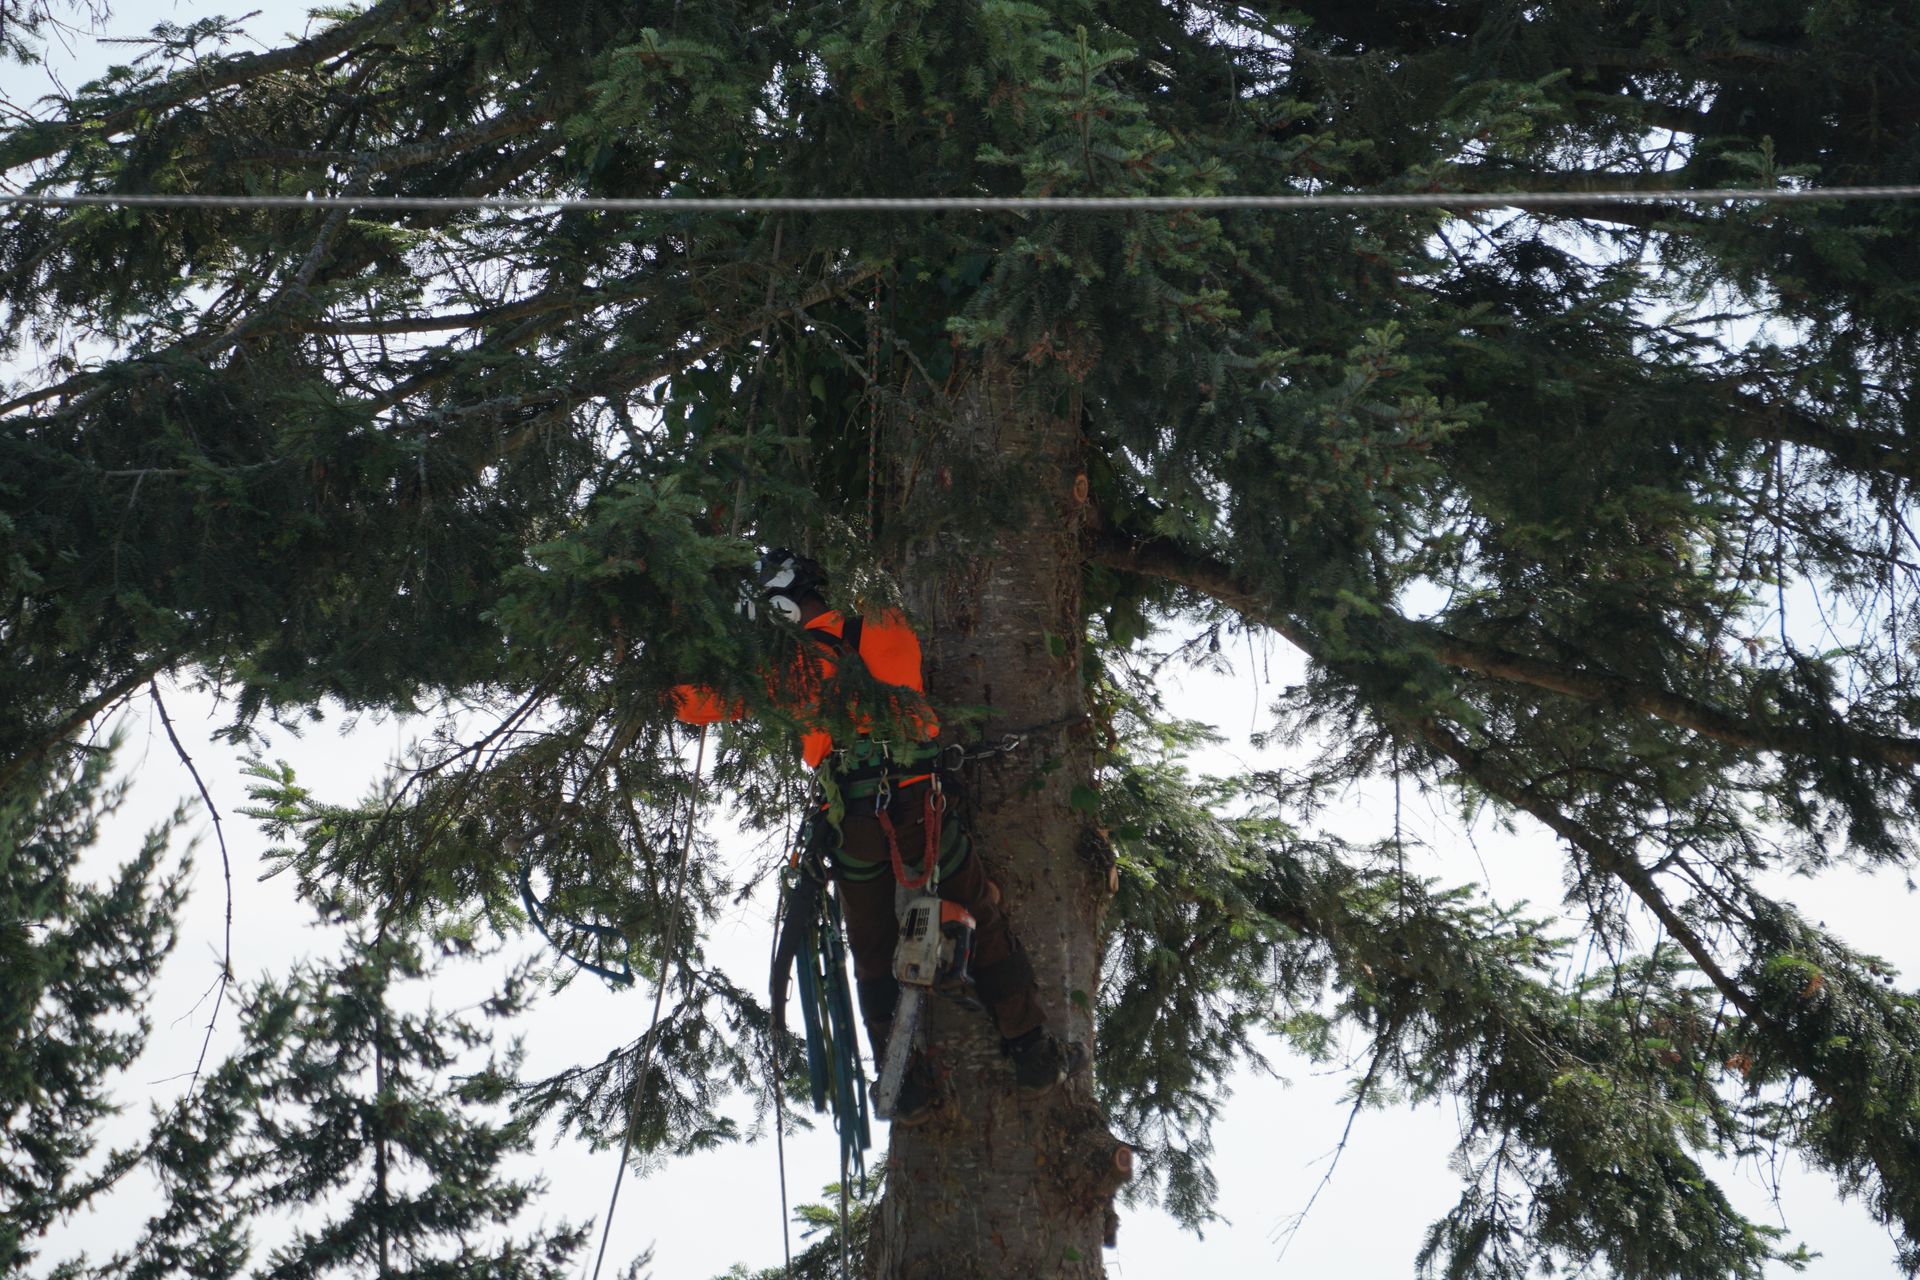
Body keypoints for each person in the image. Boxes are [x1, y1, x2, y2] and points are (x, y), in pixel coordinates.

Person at [672, 549, 1084, 1126]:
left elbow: (695, 703)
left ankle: (905, 1084)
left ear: (783, 608)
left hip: (852, 827)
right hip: (920, 806)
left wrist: (680, 647)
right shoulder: (888, 625)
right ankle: (1031, 1051)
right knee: (979, 912)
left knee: (870, 950)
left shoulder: (788, 670)